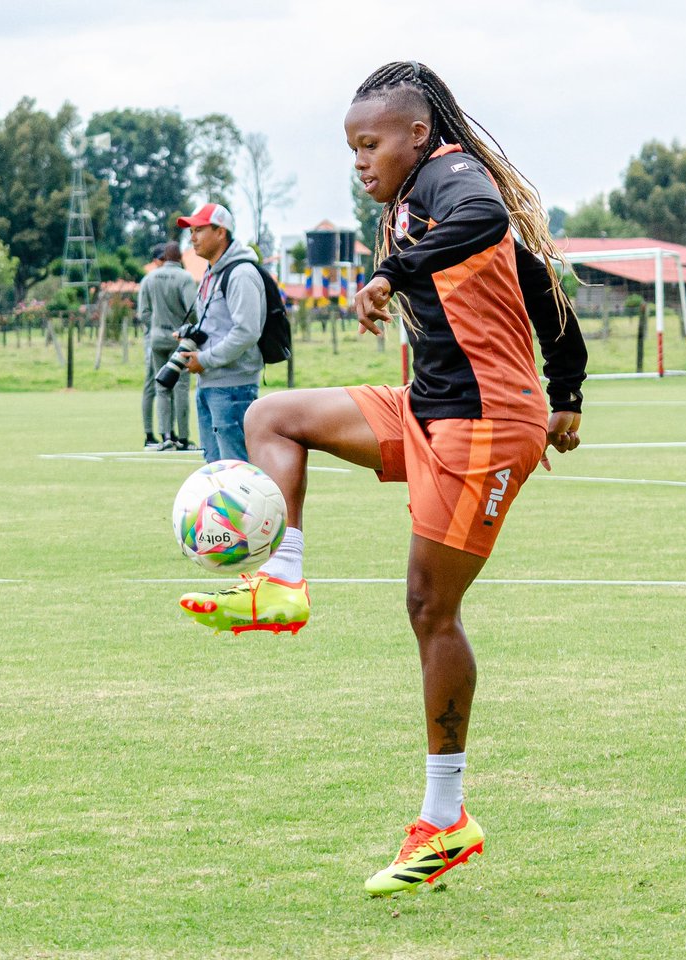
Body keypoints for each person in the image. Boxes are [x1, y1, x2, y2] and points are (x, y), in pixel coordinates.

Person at [178, 61, 587, 896]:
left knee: (430, 608)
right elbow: (543, 284)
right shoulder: (411, 200)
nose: (361, 161)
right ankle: (280, 583)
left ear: (417, 135)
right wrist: (571, 389)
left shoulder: (452, 177)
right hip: (428, 405)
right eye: (352, 148)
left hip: (485, 423)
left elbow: (482, 220)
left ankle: (446, 820)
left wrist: (389, 274)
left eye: (371, 144)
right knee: (272, 418)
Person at [176, 203, 265, 463]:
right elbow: (216, 325)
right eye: (191, 231)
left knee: (236, 472)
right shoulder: (211, 274)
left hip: (233, 388)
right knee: (216, 471)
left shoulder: (241, 274)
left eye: (199, 230)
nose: (192, 237)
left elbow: (247, 332)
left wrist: (203, 359)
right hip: (210, 383)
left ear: (220, 232)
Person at [138, 241, 198, 451]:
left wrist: (153, 327)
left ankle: (165, 436)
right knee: (181, 387)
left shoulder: (149, 278)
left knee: (161, 387)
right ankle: (182, 437)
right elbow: (192, 310)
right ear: (180, 258)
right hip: (178, 339)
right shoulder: (185, 278)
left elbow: (143, 312)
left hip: (156, 338)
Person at [139, 242, 166, 449]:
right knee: (151, 385)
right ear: (156, 261)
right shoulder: (148, 281)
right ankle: (149, 433)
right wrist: (157, 329)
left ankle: (169, 433)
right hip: (152, 340)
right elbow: (144, 313)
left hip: (169, 339)